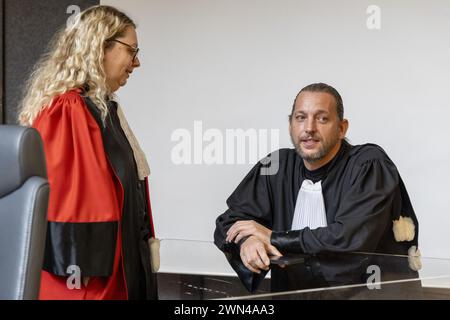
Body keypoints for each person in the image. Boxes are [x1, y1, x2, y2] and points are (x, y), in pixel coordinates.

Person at [214, 83, 420, 292]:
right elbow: (230, 222)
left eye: (322, 118)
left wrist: (273, 238)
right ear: (290, 125)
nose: (309, 128)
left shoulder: (369, 164)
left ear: (342, 128)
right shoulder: (276, 166)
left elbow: (349, 237)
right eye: (300, 117)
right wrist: (249, 241)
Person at [18, 5, 158, 300]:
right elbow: (75, 227)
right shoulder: (68, 111)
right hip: (90, 286)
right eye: (132, 51)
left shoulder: (104, 109)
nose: (137, 63)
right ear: (100, 46)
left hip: (122, 273)